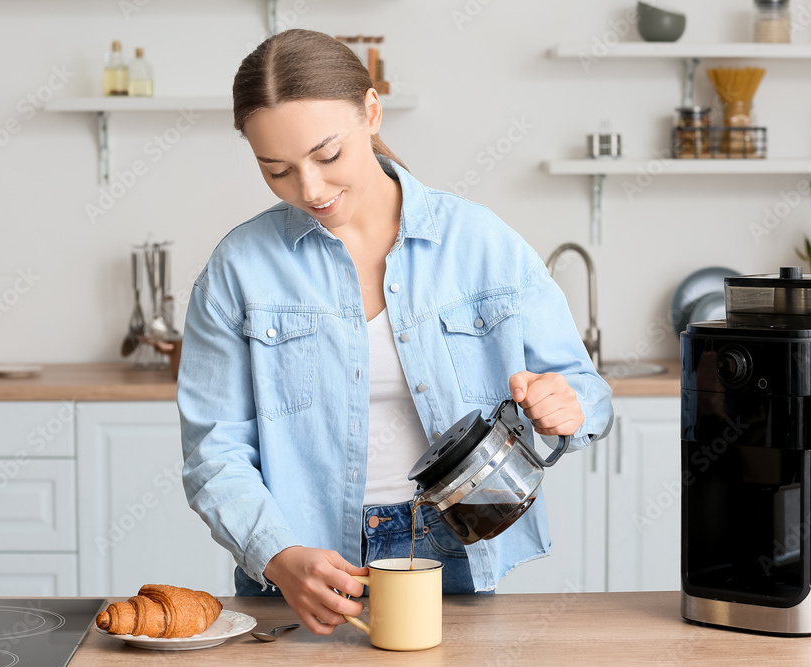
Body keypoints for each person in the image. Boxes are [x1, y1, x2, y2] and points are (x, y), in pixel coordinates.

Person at [177, 28, 614, 636]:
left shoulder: (481, 243)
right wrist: (276, 553)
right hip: (301, 557)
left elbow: (586, 390)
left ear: (372, 111)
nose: (311, 190)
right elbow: (213, 452)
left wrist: (566, 404)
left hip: (453, 542)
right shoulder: (238, 269)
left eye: (328, 157)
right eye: (276, 170)